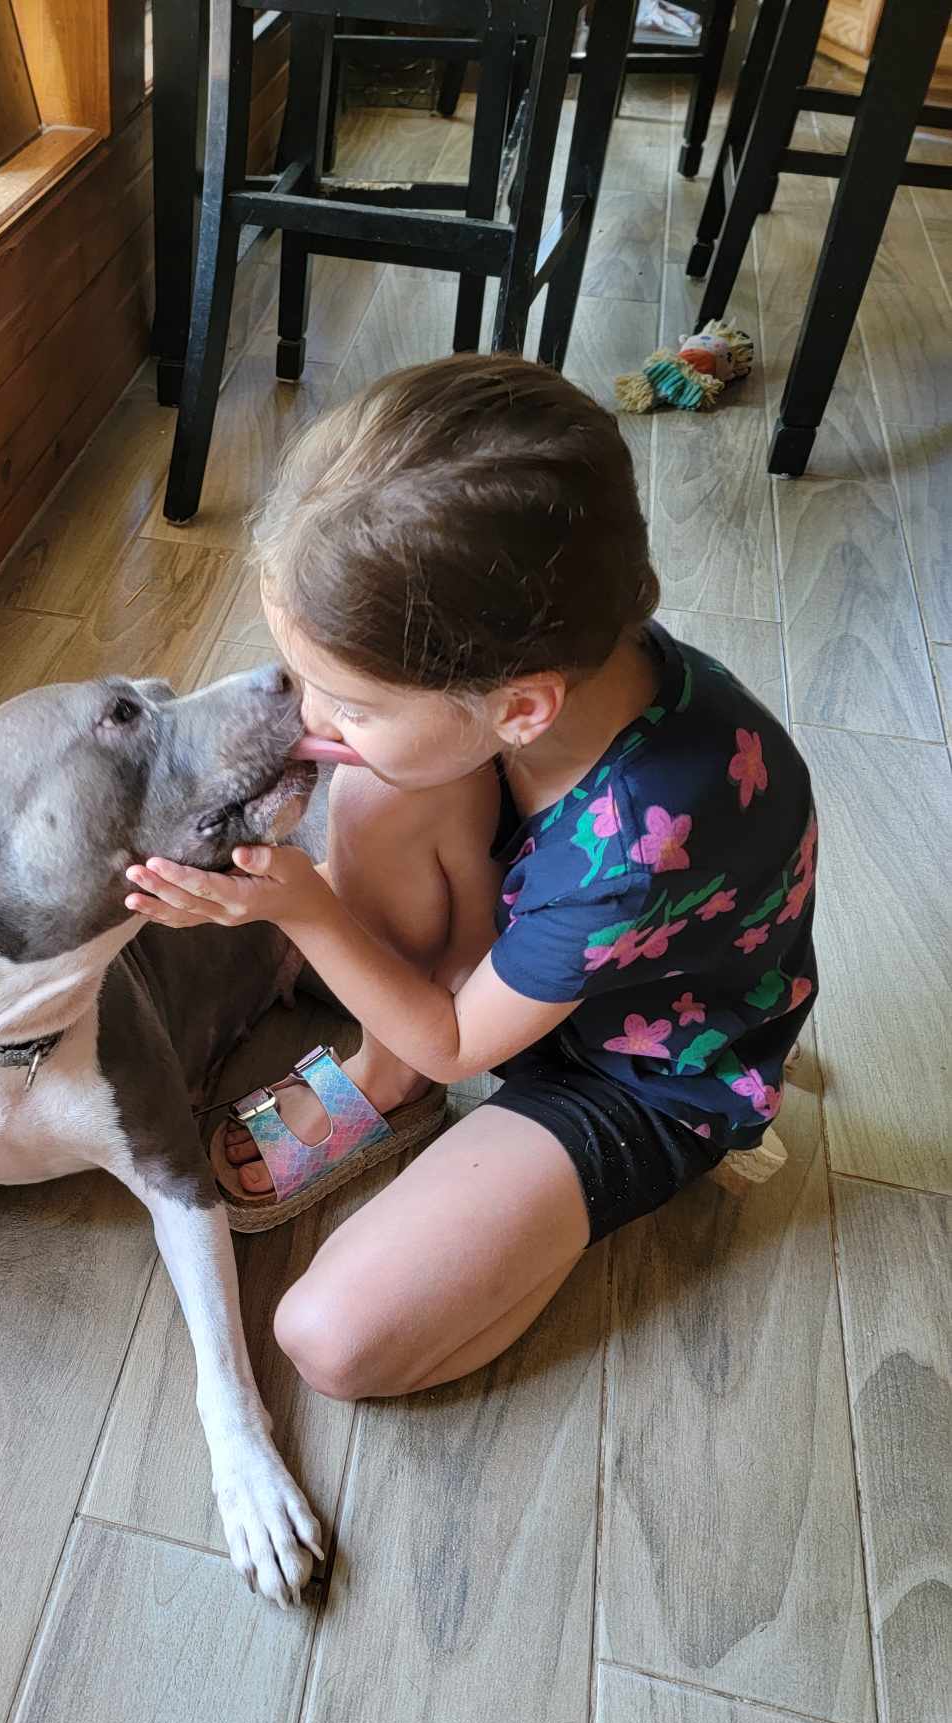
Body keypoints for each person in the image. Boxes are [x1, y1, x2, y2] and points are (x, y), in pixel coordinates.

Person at [125, 354, 816, 1400]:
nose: (309, 718)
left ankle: (538, 1218)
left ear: (523, 707)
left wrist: (303, 905)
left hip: (638, 1075)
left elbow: (458, 1041)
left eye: (344, 697)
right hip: (546, 950)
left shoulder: (633, 847)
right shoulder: (568, 662)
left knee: (330, 1338)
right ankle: (384, 1075)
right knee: (378, 781)